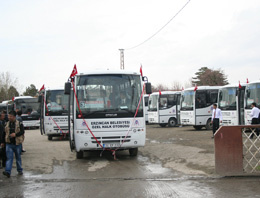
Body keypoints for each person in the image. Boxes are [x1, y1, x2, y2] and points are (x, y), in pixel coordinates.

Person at [2, 111, 25, 178]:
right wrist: (2, 142)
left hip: (17, 143)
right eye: (8, 116)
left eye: (10, 116)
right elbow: (4, 133)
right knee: (9, 158)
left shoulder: (19, 123)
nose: (9, 117)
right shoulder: (6, 124)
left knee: (18, 157)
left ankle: (19, 170)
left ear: (14, 117)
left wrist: (16, 135)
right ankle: (8, 171)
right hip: (9, 144)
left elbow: (22, 131)